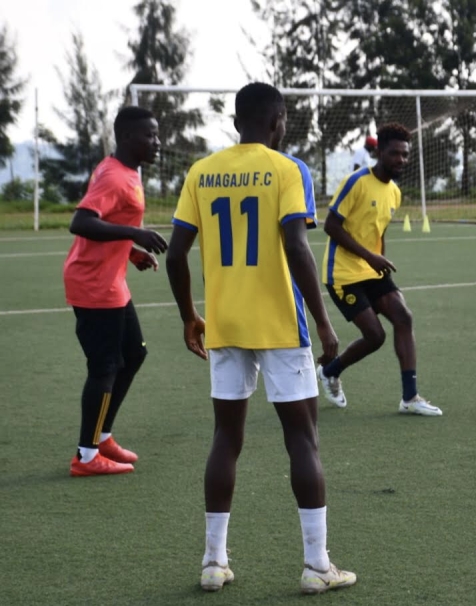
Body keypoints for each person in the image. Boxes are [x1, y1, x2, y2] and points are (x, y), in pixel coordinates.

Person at [165, 82, 357, 594]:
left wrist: (189, 315)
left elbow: (176, 253)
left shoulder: (201, 171)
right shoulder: (289, 169)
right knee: (303, 439)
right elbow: (296, 244)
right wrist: (322, 320)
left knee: (226, 439)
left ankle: (213, 562)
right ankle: (317, 567)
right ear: (279, 120)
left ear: (235, 122)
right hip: (279, 325)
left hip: (225, 326)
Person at [63, 106, 167, 477]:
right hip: (93, 285)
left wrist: (131, 252)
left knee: (133, 355)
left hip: (112, 281)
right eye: (150, 136)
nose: (157, 142)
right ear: (126, 138)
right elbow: (82, 222)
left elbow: (112, 222)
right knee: (105, 367)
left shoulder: (127, 171)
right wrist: (134, 235)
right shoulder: (114, 177)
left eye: (157, 134)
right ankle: (86, 456)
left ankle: (102, 436)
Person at [317, 123, 441, 416]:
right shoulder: (356, 182)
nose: (401, 159)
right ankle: (330, 372)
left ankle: (410, 398)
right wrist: (370, 257)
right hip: (343, 275)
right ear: (380, 152)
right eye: (395, 153)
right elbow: (331, 226)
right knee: (375, 336)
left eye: (405, 154)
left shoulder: (394, 192)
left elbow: (379, 231)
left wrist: (379, 260)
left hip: (372, 270)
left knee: (403, 317)